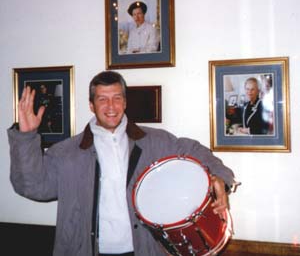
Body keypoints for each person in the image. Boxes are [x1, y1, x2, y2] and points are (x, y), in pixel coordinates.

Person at [8, 71, 236, 256]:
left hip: (144, 250)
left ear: (125, 102)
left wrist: (220, 179)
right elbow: (33, 187)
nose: (111, 106)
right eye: (102, 99)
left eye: (117, 98)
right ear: (91, 105)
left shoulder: (156, 141)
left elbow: (196, 152)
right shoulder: (67, 152)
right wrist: (26, 138)